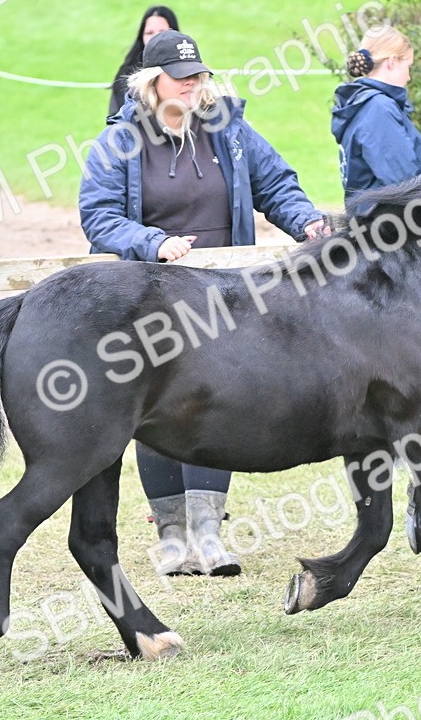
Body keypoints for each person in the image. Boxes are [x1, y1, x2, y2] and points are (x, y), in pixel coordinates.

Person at [79, 29, 326, 575]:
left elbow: (276, 184)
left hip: (224, 296)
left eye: (199, 76)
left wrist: (305, 221)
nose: (194, 86)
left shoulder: (229, 130)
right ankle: (171, 537)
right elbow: (98, 217)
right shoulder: (119, 142)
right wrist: (153, 243)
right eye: (183, 78)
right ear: (152, 82)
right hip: (152, 295)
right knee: (156, 408)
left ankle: (210, 534)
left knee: (221, 403)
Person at [330, 25, 421, 203]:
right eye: (408, 67)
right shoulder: (378, 109)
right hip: (388, 225)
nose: (409, 77)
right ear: (391, 62)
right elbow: (406, 184)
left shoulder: (362, 103)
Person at [107, 6, 178, 122]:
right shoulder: (127, 75)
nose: (155, 37)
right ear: (142, 36)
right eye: (149, 33)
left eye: (162, 32)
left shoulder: (191, 70)